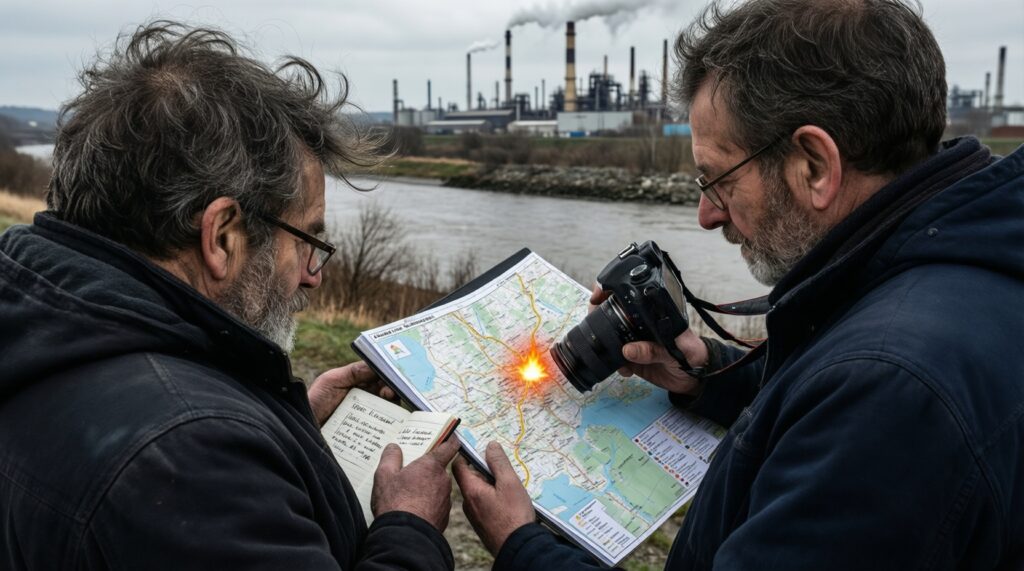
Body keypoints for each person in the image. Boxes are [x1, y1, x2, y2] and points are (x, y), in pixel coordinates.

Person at [453, 0, 1024, 569]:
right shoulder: (957, 263)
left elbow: (855, 399)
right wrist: (708, 372)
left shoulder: (889, 392)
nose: (707, 214)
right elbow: (815, 399)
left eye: (717, 179)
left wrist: (522, 547)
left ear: (814, 166)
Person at [0, 22, 460, 570]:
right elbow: (179, 462)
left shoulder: (40, 325)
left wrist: (285, 428)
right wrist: (408, 529)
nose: (313, 276)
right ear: (222, 237)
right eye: (307, 240)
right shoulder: (188, 459)